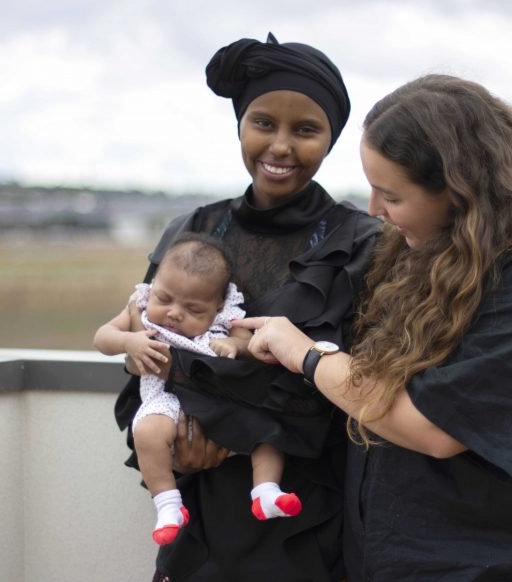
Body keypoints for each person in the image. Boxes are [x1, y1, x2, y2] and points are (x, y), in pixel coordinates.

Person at [234, 74, 512, 581]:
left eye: (390, 195)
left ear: (458, 189)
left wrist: (306, 355)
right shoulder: (436, 246)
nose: (375, 210)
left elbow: (436, 426)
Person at [112, 33, 380, 581]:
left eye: (305, 129)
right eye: (263, 123)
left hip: (306, 516)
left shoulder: (362, 243)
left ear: (331, 139)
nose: (281, 146)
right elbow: (140, 358)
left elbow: (369, 382)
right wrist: (180, 448)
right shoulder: (191, 231)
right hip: (199, 517)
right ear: (240, 124)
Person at [96, 233, 303, 546]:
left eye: (193, 310)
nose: (175, 313)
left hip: (222, 404)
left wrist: (235, 344)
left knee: (269, 432)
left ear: (217, 305)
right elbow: (102, 337)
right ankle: (168, 505)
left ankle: (266, 491)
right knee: (147, 432)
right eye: (164, 300)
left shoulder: (226, 316)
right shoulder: (140, 304)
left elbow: (251, 346)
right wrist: (129, 341)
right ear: (155, 287)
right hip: (166, 399)